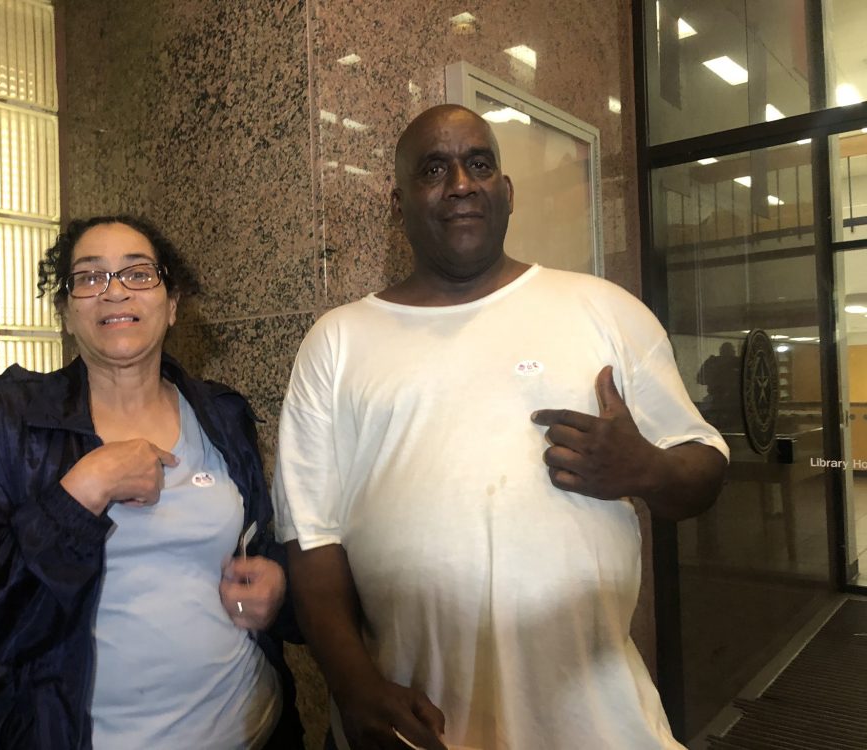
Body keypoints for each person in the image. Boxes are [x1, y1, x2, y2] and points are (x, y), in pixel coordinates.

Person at [272, 105, 729, 750]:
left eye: (478, 164)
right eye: (435, 169)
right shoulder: (337, 341)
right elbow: (311, 541)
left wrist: (645, 469)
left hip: (594, 722)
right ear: (398, 202)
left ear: (506, 192)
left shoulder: (602, 309)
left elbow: (705, 466)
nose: (461, 182)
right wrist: (353, 685)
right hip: (418, 723)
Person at [0, 215, 304, 749]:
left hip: (253, 728)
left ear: (172, 303)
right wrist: (83, 490)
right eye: (89, 278)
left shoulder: (221, 415)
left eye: (138, 273)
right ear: (66, 311)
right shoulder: (1, 423)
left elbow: (258, 542)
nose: (113, 292)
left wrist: (277, 588)